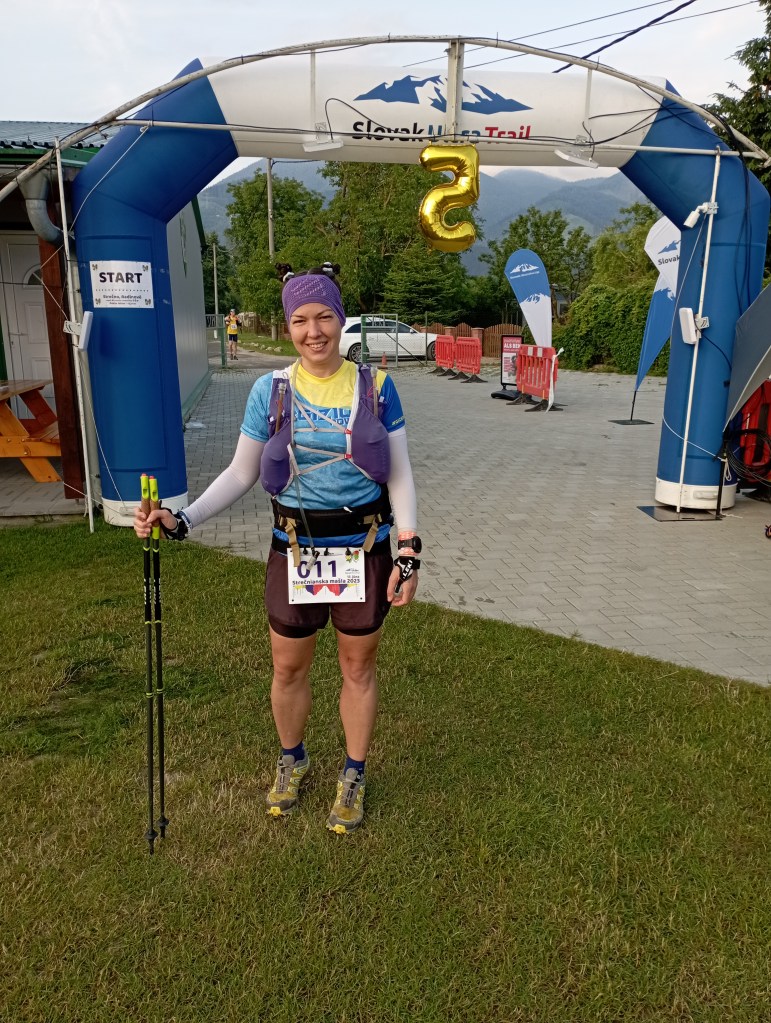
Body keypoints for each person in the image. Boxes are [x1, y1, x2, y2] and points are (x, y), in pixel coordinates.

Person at [134, 262, 421, 835]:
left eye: (324, 317)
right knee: (288, 667)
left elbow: (400, 475)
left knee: (358, 666)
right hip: (294, 551)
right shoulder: (270, 390)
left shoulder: (376, 387)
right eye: (300, 320)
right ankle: (293, 758)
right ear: (288, 326)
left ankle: (354, 772)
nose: (314, 331)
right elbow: (241, 473)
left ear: (340, 319)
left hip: (364, 547)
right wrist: (182, 519)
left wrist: (409, 551)